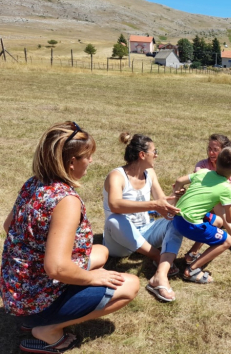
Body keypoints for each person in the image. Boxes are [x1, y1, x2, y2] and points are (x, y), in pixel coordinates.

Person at [0, 121, 140, 353]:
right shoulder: (66, 200)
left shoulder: (33, 183)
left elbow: (8, 226)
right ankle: (47, 329)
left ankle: (33, 319)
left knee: (101, 251)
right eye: (87, 156)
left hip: (17, 290)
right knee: (130, 285)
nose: (91, 161)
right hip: (36, 299)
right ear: (71, 162)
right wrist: (91, 278)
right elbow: (56, 268)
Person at [103, 133, 183, 302]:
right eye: (154, 151)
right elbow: (115, 205)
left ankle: (160, 275)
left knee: (175, 222)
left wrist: (176, 196)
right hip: (119, 242)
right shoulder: (117, 176)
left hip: (145, 233)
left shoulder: (150, 173)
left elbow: (163, 206)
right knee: (114, 219)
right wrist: (153, 205)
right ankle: (156, 256)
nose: (156, 155)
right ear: (142, 154)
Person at [172, 147, 231, 283]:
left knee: (217, 222)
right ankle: (191, 270)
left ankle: (191, 254)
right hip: (190, 225)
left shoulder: (203, 172)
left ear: (216, 163)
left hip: (177, 217)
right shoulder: (226, 189)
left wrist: (178, 194)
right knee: (227, 241)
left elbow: (179, 181)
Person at [187, 134, 231, 260]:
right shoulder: (202, 165)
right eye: (209, 148)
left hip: (229, 203)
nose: (211, 152)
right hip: (209, 205)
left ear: (224, 151)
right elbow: (205, 190)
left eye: (215, 149)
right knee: (224, 190)